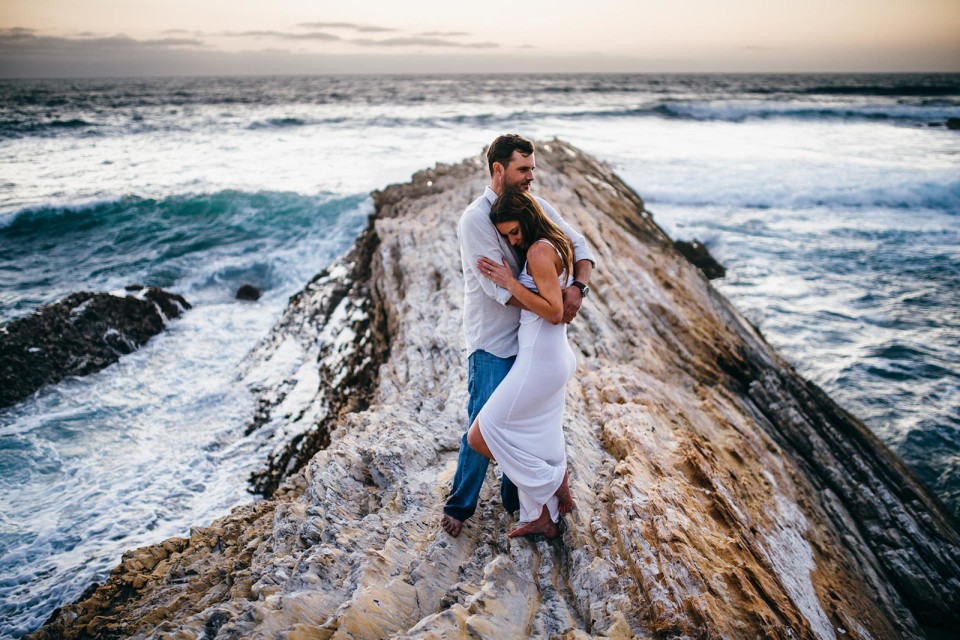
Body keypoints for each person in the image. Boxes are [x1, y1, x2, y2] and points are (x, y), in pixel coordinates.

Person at [441, 134, 595, 538]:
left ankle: (520, 503)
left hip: (533, 343)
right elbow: (499, 291)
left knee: (523, 426)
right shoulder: (476, 220)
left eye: (531, 168)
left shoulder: (533, 208)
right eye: (523, 169)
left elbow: (579, 245)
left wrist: (577, 288)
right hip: (494, 339)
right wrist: (550, 306)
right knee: (483, 421)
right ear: (498, 169)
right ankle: (461, 504)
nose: (531, 176)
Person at [466, 188, 577, 538]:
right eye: (507, 236)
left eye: (515, 231)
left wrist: (510, 283)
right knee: (537, 439)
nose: (513, 241)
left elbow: (556, 312)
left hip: (540, 361)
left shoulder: (540, 250)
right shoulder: (552, 244)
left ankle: (554, 480)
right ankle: (545, 517)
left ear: (529, 218)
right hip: (549, 357)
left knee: (481, 435)